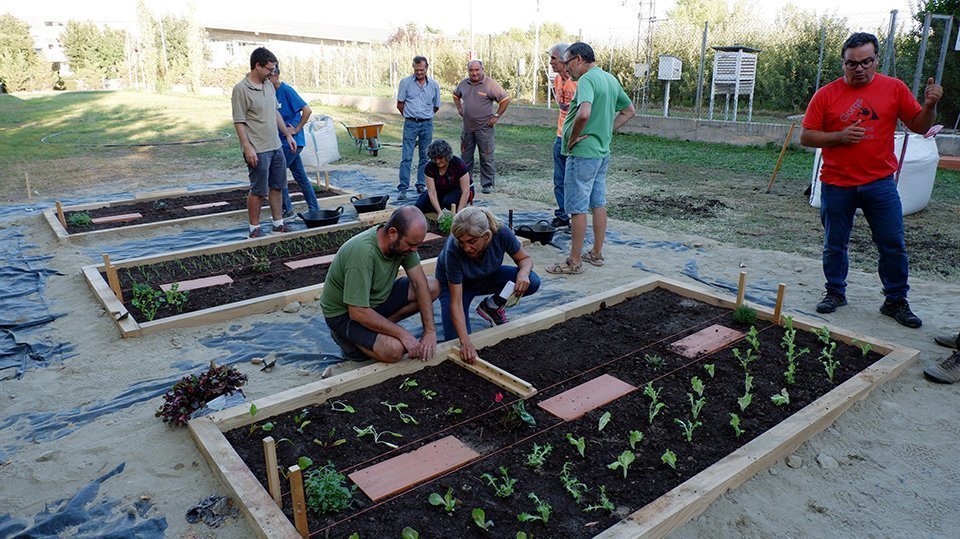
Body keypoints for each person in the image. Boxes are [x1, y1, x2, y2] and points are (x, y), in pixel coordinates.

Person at [800, 32, 942, 328]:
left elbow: (919, 127)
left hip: (880, 183)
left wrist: (928, 106)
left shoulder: (894, 88)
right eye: (852, 64)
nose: (859, 69)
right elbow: (806, 136)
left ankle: (895, 300)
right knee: (834, 243)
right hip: (837, 183)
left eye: (866, 61)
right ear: (843, 63)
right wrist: (839, 136)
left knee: (892, 243)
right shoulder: (826, 94)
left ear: (876, 59)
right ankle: (835, 292)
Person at [546, 42, 635, 275]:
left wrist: (573, 138)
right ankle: (596, 253)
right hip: (601, 153)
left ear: (578, 59)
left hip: (583, 154)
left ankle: (574, 261)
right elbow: (629, 111)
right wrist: (606, 131)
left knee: (576, 208)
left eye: (567, 63)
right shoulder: (610, 79)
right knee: (598, 202)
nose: (566, 69)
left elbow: (584, 113)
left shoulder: (586, 80)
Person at [320, 206, 440, 363]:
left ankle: (374, 330)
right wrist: (403, 335)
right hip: (344, 314)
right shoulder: (363, 253)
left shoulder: (403, 247)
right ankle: (349, 340)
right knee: (394, 351)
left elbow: (420, 284)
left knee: (433, 286)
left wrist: (430, 331)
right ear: (392, 233)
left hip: (375, 300)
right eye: (411, 244)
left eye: (417, 245)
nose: (414, 250)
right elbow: (357, 312)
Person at [436, 207, 540, 364]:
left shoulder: (501, 232)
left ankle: (491, 306)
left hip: (487, 275)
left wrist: (523, 273)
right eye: (462, 242)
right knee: (456, 341)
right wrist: (465, 342)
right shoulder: (453, 249)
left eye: (472, 242)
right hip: (458, 285)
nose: (466, 248)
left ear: (486, 236)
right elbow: (455, 303)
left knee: (532, 281)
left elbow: (524, 259)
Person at [232, 47, 297, 238]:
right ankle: (254, 228)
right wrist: (247, 146)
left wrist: (287, 135)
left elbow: (275, 112)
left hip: (275, 146)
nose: (272, 73)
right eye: (269, 69)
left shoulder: (268, 85)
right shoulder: (241, 89)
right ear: (257, 66)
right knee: (259, 190)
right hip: (258, 149)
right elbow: (239, 121)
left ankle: (278, 223)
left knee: (277, 186)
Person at [267, 64, 321, 217]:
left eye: (268, 77)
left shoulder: (287, 91)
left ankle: (287, 209)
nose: (266, 79)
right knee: (300, 176)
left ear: (275, 76)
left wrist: (296, 129)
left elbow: (307, 110)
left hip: (292, 142)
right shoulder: (270, 92)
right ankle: (314, 208)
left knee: (277, 174)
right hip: (283, 142)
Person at [453, 60, 510, 194]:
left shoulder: (490, 84)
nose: (474, 73)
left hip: (484, 128)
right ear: (468, 71)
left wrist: (496, 116)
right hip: (467, 128)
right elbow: (456, 95)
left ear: (482, 69)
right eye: (471, 70)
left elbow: (505, 99)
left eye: (477, 70)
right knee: (465, 158)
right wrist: (459, 108)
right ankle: (466, 183)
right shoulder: (463, 84)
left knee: (486, 157)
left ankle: (487, 184)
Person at [396, 56, 442, 201]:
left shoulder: (434, 85)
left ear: (426, 68)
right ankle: (403, 188)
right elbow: (400, 104)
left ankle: (421, 184)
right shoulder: (405, 83)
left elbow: (436, 106)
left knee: (425, 156)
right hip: (410, 124)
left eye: (422, 70)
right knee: (407, 157)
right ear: (413, 68)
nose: (419, 73)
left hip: (427, 124)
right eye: (417, 70)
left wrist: (424, 116)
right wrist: (411, 116)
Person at [548, 42, 577, 228]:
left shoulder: (579, 81)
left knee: (572, 180)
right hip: (561, 137)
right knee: (559, 180)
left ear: (562, 60)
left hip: (575, 139)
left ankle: (576, 216)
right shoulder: (558, 80)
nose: (550, 63)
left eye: (553, 59)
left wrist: (576, 136)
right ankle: (562, 215)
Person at [413, 139, 473, 216]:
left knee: (449, 202)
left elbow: (465, 191)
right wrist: (439, 212)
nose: (437, 161)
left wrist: (459, 214)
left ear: (446, 156)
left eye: (440, 158)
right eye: (434, 158)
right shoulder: (429, 167)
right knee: (419, 205)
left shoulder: (458, 164)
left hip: (459, 189)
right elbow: (432, 192)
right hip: (441, 190)